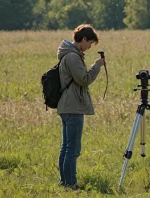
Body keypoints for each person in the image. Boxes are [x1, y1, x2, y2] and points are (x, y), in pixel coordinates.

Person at [56, 24, 105, 190]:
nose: (90, 47)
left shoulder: (69, 54)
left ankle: (65, 182)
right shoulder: (72, 57)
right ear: (83, 39)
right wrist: (97, 66)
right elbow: (84, 79)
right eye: (90, 43)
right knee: (73, 148)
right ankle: (71, 184)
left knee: (66, 146)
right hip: (73, 107)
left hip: (67, 106)